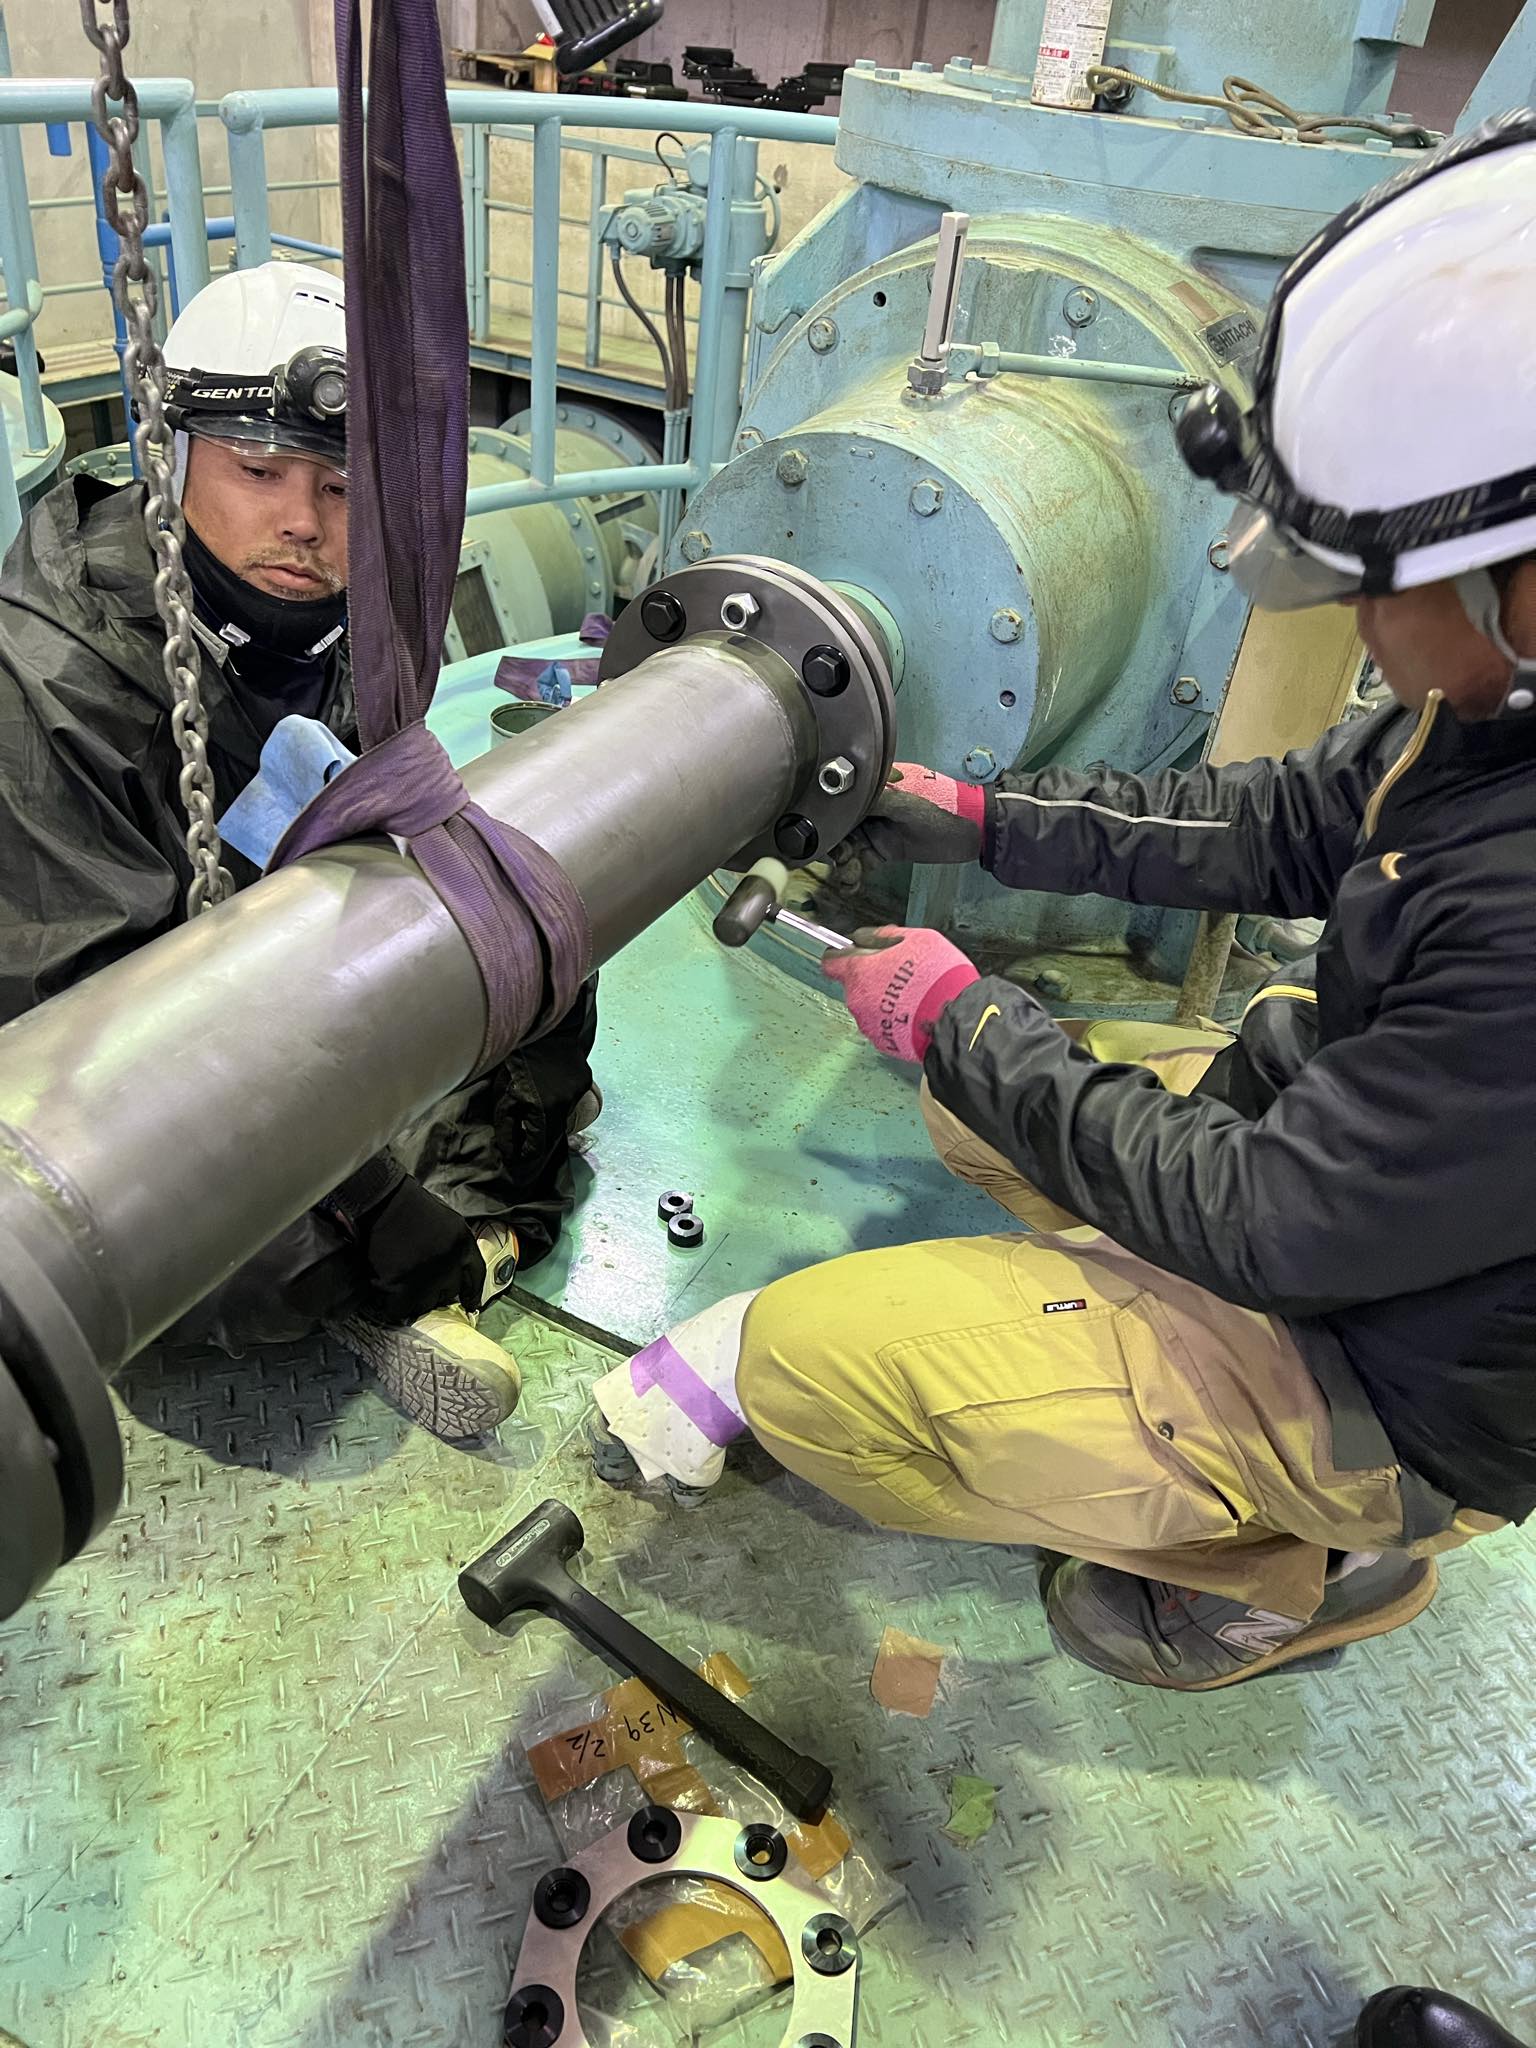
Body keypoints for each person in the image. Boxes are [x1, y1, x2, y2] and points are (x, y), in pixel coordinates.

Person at [736, 114, 1536, 1688]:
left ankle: (1305, 1564)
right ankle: (1134, 1348)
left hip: (1402, 1384)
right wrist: (990, 819)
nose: (1362, 632)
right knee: (979, 1094)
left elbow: (1274, 1224)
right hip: (1369, 1211)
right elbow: (1282, 821)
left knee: (804, 1373)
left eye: (1376, 587)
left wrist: (971, 1025)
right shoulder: (1496, 707)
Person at [0, 260, 597, 1440]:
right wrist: (367, 1203)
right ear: (172, 457)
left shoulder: (338, 611)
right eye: (259, 471)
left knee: (539, 951)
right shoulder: (50, 682)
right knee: (238, 1256)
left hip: (274, 946)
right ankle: (405, 1255)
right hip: (102, 1044)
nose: (303, 524)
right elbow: (83, 1035)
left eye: (339, 487)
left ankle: (450, 1227)